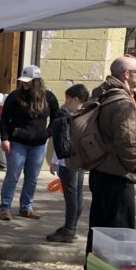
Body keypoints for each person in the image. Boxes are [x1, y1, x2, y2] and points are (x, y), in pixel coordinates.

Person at [85, 56, 136, 264]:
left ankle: (93, 268)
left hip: (99, 169)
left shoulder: (102, 93)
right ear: (126, 75)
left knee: (99, 225)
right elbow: (127, 141)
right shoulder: (122, 102)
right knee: (119, 229)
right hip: (118, 173)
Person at [0, 65, 59, 221]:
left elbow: (56, 118)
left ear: (36, 81)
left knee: (32, 177)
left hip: (39, 144)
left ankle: (26, 207)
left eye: (28, 81)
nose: (24, 84)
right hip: (17, 142)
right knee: (12, 175)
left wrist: (48, 133)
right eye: (23, 81)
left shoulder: (49, 98)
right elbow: (4, 118)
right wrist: (4, 138)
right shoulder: (15, 96)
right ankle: (5, 207)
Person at [46, 84, 90, 243]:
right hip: (80, 160)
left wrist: (53, 161)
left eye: (67, 98)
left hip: (67, 162)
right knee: (77, 195)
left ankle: (69, 229)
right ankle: (73, 226)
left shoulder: (64, 115)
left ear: (75, 99)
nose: (65, 101)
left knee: (71, 196)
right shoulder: (87, 114)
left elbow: (60, 142)